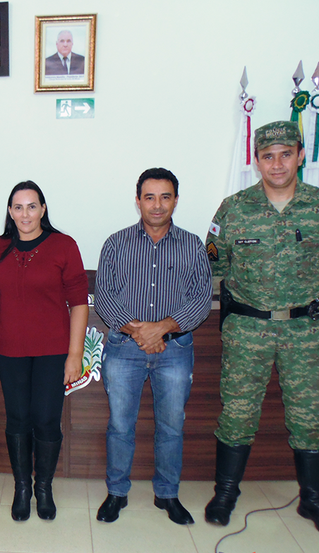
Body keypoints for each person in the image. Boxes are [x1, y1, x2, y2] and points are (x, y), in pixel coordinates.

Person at [204, 121, 319, 537]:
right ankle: (225, 493)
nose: (276, 163)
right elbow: (215, 268)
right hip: (247, 329)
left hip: (306, 330)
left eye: (285, 154)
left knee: (309, 417)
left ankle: (312, 501)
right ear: (256, 161)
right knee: (236, 412)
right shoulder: (233, 209)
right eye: (268, 156)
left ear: (301, 155)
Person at [94, 168, 212, 525]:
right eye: (149, 197)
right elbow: (105, 296)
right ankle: (116, 492)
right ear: (138, 201)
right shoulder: (116, 243)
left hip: (174, 351)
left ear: (176, 199)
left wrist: (160, 330)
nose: (157, 205)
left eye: (165, 196)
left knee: (172, 426)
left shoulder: (192, 245)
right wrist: (138, 331)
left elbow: (201, 299)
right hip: (123, 349)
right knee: (120, 425)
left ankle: (167, 495)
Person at [0, 181, 89, 521]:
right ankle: (22, 488)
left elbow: (78, 303)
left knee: (47, 419)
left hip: (52, 351)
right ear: (10, 211)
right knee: (18, 418)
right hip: (8, 350)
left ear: (43, 209)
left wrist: (74, 354)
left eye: (32, 206)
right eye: (18, 207)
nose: (25, 214)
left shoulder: (64, 245)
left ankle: (43, 487)